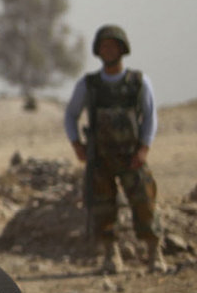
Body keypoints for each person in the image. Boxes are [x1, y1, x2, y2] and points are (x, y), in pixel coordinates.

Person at [63, 24, 166, 275]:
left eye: (113, 46)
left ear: (122, 49)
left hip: (132, 157)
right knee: (103, 209)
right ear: (98, 51)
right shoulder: (89, 84)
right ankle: (111, 256)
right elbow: (70, 115)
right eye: (104, 46)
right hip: (100, 159)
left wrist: (144, 149)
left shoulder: (138, 82)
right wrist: (77, 145)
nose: (108, 50)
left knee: (144, 203)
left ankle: (155, 254)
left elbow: (150, 117)